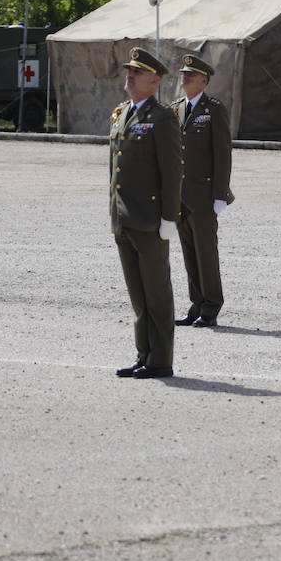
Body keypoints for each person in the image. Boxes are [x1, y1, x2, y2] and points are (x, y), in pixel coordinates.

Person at [110, 48, 182, 379]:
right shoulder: (123, 113)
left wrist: (170, 218)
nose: (129, 75)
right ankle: (144, 354)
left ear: (153, 81)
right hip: (124, 219)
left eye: (136, 72)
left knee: (156, 293)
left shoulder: (162, 117)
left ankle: (161, 360)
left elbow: (172, 172)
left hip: (151, 220)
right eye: (129, 70)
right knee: (138, 295)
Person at [171, 54, 235, 328]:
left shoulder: (213, 109)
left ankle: (211, 306)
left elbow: (222, 154)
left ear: (204, 80)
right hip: (181, 196)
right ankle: (196, 304)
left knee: (206, 254)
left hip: (205, 195)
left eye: (190, 74)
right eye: (183, 73)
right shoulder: (175, 109)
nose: (184, 77)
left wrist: (220, 195)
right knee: (189, 252)